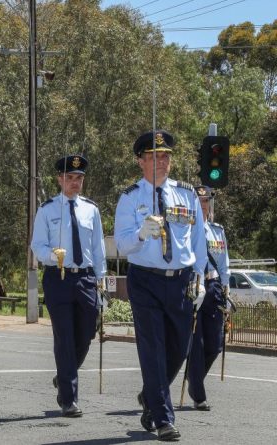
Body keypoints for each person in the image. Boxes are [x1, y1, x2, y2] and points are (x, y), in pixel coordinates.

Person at [114, 130, 207, 441]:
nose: (162, 161)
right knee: (153, 348)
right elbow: (123, 246)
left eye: (166, 155)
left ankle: (151, 396)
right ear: (141, 161)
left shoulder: (187, 194)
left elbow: (197, 241)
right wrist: (141, 233)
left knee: (180, 348)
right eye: (154, 156)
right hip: (145, 281)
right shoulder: (130, 198)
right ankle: (163, 418)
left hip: (180, 281)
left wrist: (200, 276)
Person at [30, 155, 107, 417]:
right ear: (60, 179)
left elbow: (98, 249)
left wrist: (101, 280)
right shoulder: (47, 209)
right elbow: (37, 245)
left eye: (79, 178)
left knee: (87, 333)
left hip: (85, 278)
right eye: (70, 178)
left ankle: (65, 374)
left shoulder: (91, 209)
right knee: (64, 337)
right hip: (58, 277)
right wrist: (53, 255)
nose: (75, 183)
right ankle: (69, 399)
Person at [187, 185, 230, 411]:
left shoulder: (217, 230)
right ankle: (198, 393)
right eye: (199, 202)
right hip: (194, 286)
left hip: (213, 287)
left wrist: (226, 289)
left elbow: (223, 263)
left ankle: (194, 378)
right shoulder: (185, 229)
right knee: (196, 344)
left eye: (206, 202)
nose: (203, 206)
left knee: (214, 345)